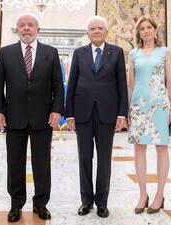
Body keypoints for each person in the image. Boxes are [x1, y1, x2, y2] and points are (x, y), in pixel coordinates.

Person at [0, 14, 64, 222]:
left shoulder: (51, 52)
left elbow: (58, 85)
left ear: (37, 29)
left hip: (43, 118)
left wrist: (57, 110)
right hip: (14, 117)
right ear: (17, 29)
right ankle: (16, 205)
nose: (26, 28)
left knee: (42, 164)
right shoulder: (6, 53)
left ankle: (40, 204)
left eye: (30, 25)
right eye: (22, 25)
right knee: (15, 163)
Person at [65, 15, 128, 218]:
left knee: (104, 160)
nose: (96, 31)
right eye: (92, 28)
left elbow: (121, 86)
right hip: (82, 113)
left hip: (107, 114)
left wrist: (121, 114)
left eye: (100, 28)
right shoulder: (79, 53)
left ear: (106, 32)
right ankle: (86, 201)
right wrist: (70, 114)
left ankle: (102, 202)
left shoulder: (116, 53)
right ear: (87, 32)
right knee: (84, 158)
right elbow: (72, 84)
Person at [128, 16, 171, 214]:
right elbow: (131, 84)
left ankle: (159, 194)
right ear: (139, 33)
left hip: (160, 105)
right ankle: (143, 194)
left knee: (161, 149)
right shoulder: (133, 54)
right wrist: (128, 109)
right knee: (139, 149)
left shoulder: (165, 52)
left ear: (155, 30)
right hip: (138, 105)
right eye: (142, 29)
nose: (146, 31)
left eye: (149, 27)